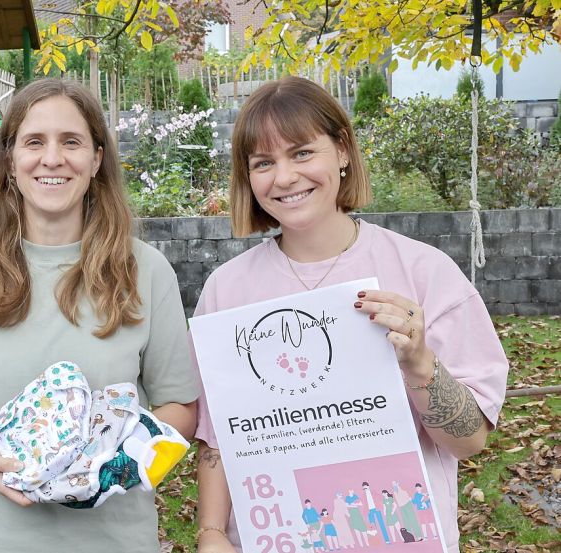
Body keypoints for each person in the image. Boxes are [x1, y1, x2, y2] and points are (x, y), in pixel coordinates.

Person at [192, 76, 508, 553]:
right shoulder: (227, 289)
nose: (284, 178)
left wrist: (420, 363)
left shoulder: (424, 272)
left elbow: (470, 442)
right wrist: (212, 533)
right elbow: (218, 437)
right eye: (263, 163)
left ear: (342, 150)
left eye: (301, 153)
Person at [0, 78, 198, 552]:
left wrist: (113, 466)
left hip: (114, 539)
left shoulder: (146, 271)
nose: (52, 158)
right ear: (10, 161)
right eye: (34, 142)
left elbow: (179, 408)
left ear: (96, 159)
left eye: (71, 141)